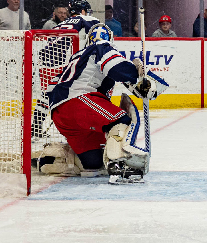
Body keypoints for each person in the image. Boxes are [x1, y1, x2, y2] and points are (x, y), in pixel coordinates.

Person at [47, 23, 168, 183]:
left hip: (59, 113)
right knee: (122, 121)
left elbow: (52, 85)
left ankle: (55, 159)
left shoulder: (78, 56)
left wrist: (137, 81)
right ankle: (120, 163)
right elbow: (116, 67)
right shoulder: (102, 46)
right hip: (79, 102)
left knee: (93, 162)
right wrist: (139, 76)